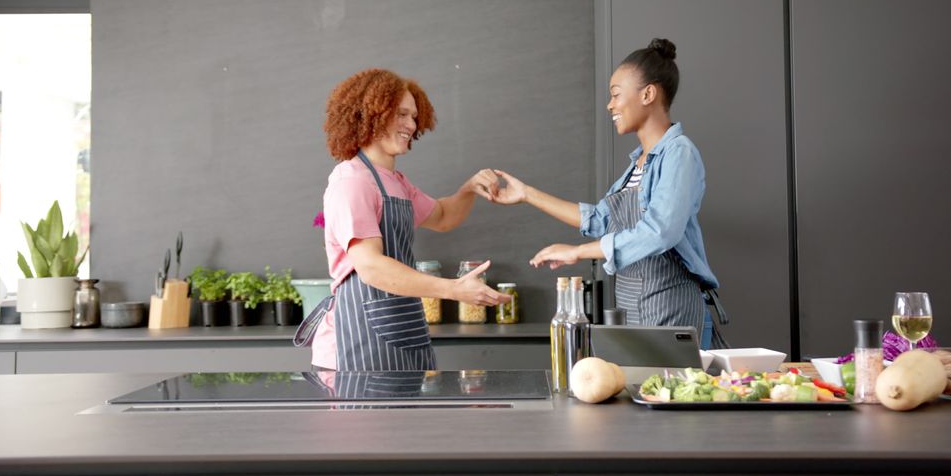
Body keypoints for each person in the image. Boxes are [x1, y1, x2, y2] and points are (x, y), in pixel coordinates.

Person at [491, 38, 727, 349]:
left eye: (616, 95)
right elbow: (600, 219)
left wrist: (577, 252)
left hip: (670, 307)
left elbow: (660, 232)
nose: (610, 105)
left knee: (668, 396)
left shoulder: (678, 153)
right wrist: (526, 194)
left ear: (648, 94)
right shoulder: (637, 163)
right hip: (633, 306)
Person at [294, 68, 511, 371]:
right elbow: (370, 267)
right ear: (371, 114)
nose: (412, 124)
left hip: (403, 328)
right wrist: (452, 290)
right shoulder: (352, 182)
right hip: (356, 342)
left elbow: (445, 217)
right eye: (401, 114)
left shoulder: (395, 181)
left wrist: (469, 188)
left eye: (414, 117)